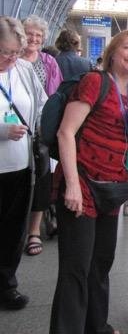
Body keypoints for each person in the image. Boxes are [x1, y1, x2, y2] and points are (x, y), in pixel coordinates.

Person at [49, 29, 128, 334]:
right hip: (84, 183)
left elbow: (124, 142)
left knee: (100, 264)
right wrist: (72, 186)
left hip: (113, 189)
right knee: (75, 269)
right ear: (113, 52)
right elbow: (66, 133)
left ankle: (96, 326)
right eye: (127, 48)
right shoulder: (94, 82)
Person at [0, 16, 47, 310]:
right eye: (5, 52)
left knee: (13, 228)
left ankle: (7, 283)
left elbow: (41, 104)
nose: (11, 58)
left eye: (15, 52)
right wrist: (2, 131)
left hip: (20, 165)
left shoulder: (24, 69)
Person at [20, 16, 63, 256]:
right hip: (14, 128)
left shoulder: (48, 62)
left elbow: (54, 97)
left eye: (38, 35)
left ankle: (34, 230)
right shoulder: (11, 60)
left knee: (43, 179)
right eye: (29, 33)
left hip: (40, 131)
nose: (34, 39)